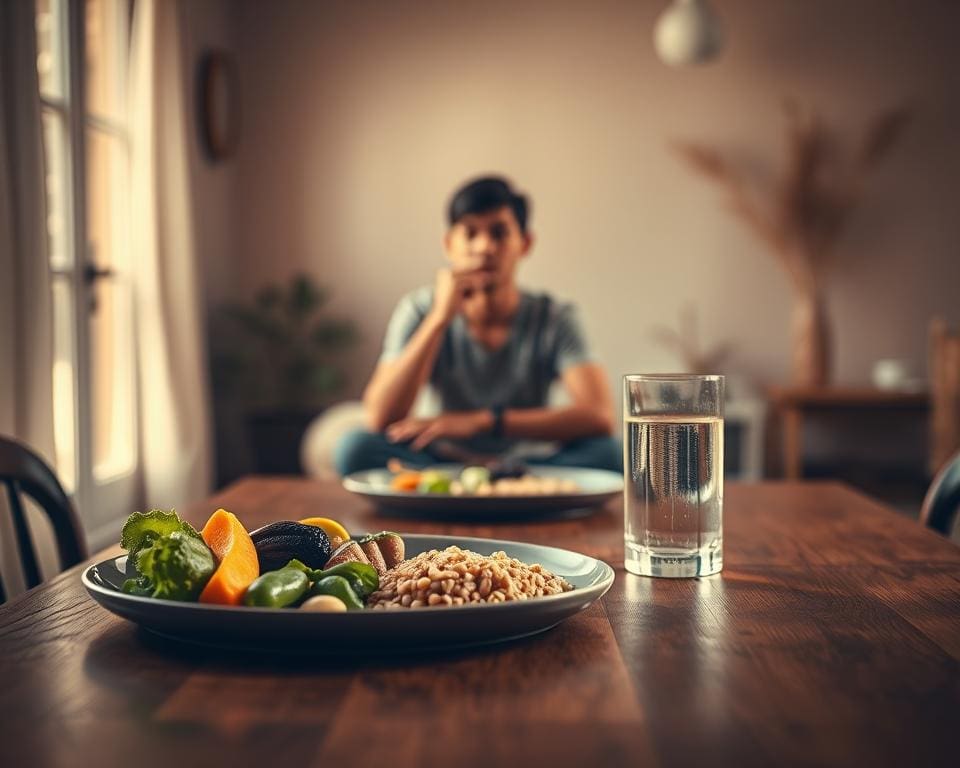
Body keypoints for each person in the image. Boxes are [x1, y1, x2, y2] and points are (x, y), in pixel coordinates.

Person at [334, 175, 620, 476]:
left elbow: (599, 415)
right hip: (441, 460)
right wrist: (439, 319)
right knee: (354, 448)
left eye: (499, 233)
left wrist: (482, 421)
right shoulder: (420, 308)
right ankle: (500, 493)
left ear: (525, 244)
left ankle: (478, 489)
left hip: (525, 463)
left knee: (609, 453)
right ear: (449, 245)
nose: (484, 247)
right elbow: (379, 417)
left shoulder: (555, 316)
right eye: (470, 233)